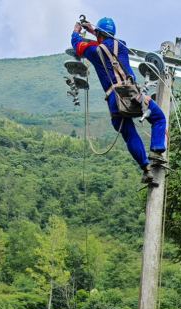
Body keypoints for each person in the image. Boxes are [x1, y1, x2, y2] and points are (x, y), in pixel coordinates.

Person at [71, 17, 167, 184]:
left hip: (114, 102)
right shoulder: (121, 45)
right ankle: (157, 150)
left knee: (130, 135)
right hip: (133, 95)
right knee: (158, 117)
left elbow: (77, 44)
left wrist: (77, 30)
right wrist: (94, 30)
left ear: (99, 34)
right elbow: (107, 40)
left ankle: (145, 168)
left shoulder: (94, 51)